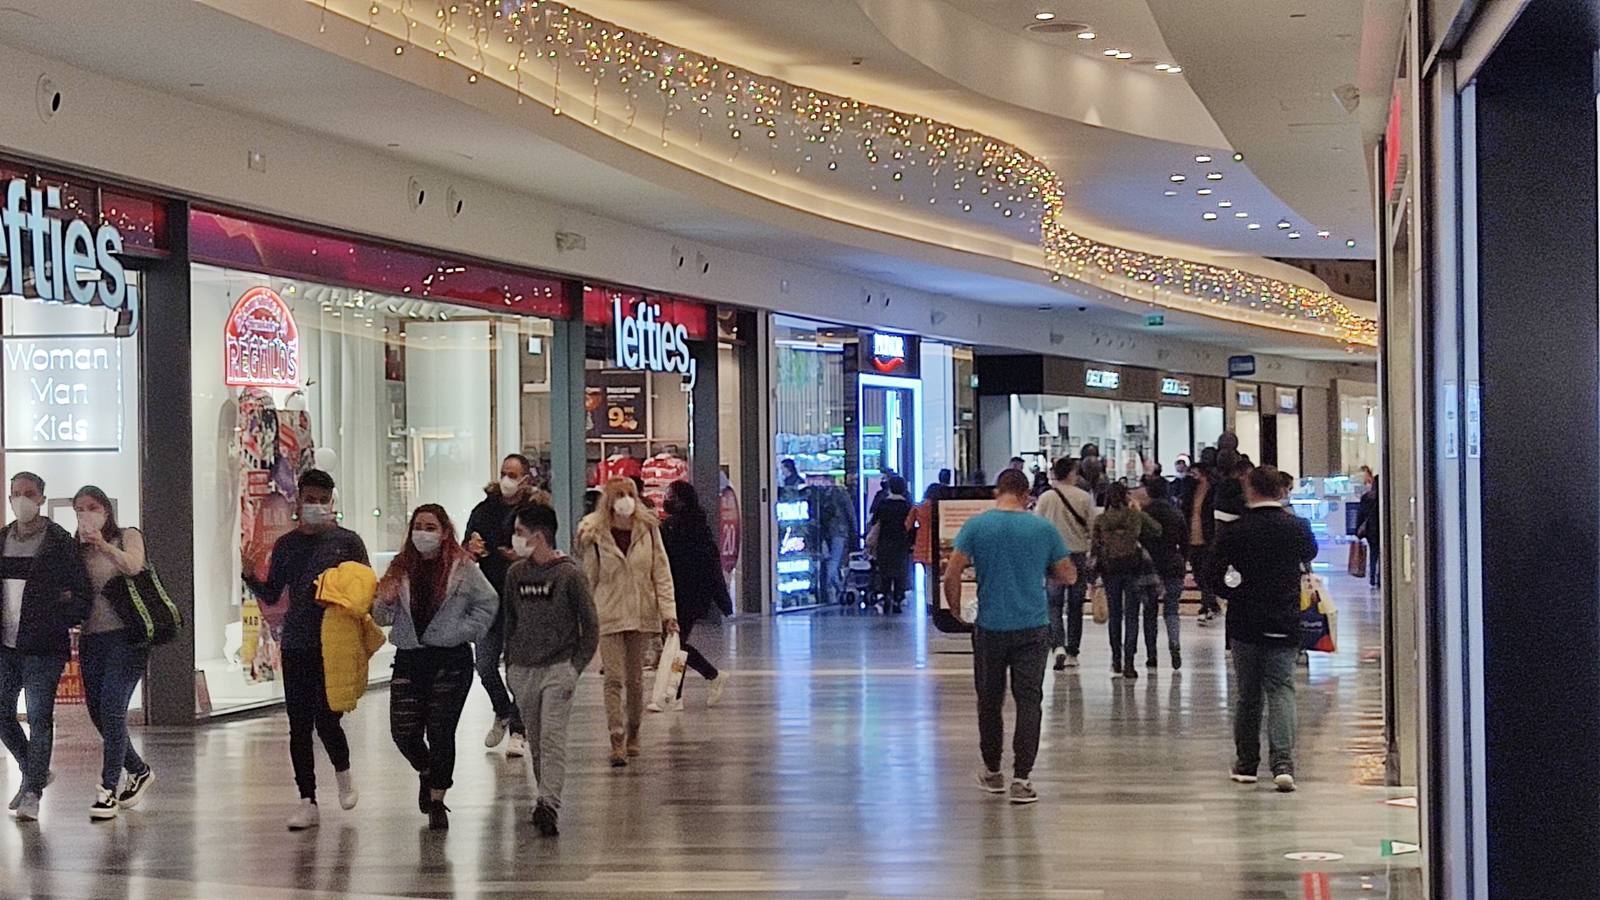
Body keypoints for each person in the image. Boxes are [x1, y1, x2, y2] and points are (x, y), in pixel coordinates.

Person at [943, 469, 1076, 805]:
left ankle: (992, 771)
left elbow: (952, 572)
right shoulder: (1042, 528)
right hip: (1033, 626)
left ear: (997, 492)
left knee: (989, 701)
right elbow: (1067, 575)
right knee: (1029, 701)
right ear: (1027, 494)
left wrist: (957, 611)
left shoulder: (977, 526)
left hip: (990, 627)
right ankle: (1022, 778)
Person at [247, 469, 369, 831]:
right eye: (310, 499)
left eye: (323, 501)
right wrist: (250, 574)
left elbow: (365, 591)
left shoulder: (348, 542)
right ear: (298, 501)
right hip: (297, 641)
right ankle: (307, 799)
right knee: (298, 724)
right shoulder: (286, 545)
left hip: (334, 644)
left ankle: (343, 773)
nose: (316, 506)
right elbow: (272, 593)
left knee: (327, 717)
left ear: (332, 503)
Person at [373, 504, 498, 831]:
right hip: (410, 659)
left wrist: (466, 631)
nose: (423, 534)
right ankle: (426, 770)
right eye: (418, 526)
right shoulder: (399, 568)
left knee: (441, 731)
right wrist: (382, 600)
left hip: (450, 660)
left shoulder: (462, 567)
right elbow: (381, 618)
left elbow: (488, 602)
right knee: (403, 732)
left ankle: (438, 798)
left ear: (444, 532)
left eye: (431, 527)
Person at [1206, 466, 1318, 793]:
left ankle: (1247, 763)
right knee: (1281, 688)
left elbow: (1211, 573)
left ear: (1251, 490)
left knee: (1248, 693)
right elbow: (1309, 553)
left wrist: (1232, 594)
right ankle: (1283, 762)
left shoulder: (1235, 530)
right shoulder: (1297, 527)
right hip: (1284, 616)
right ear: (1280, 491)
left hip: (1245, 619)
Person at [503, 503, 598, 837]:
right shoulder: (516, 574)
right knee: (538, 741)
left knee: (553, 737)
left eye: (519, 533)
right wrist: (510, 663)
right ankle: (544, 796)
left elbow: (590, 625)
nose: (515, 539)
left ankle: (548, 803)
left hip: (558, 668)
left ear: (538, 536)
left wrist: (575, 668)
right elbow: (510, 620)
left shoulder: (569, 574)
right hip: (523, 669)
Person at [0, 473, 90, 822]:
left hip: (44, 647)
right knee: (3, 712)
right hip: (7, 646)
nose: (21, 500)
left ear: (41, 498)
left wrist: (64, 617)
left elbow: (81, 591)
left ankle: (33, 792)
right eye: (15, 494)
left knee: (39, 716)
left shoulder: (58, 542)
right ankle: (32, 769)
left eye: (28, 494)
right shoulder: (3, 539)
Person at [576, 477, 678, 766]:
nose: (625, 499)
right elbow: (589, 578)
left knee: (635, 680)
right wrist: (584, 618)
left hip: (641, 612)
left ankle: (634, 730)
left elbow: (661, 572)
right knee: (613, 678)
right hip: (608, 614)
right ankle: (616, 738)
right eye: (619, 494)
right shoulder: (594, 533)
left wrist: (669, 614)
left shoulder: (648, 529)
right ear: (608, 499)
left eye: (630, 494)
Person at [72, 486, 157, 820]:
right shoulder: (74, 549)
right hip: (92, 639)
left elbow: (134, 566)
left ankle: (108, 788)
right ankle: (139, 770)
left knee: (112, 707)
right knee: (97, 712)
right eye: (79, 509)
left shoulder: (127, 536)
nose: (86, 514)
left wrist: (103, 545)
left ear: (106, 509)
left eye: (92, 507)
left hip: (128, 637)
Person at [464, 454, 544, 758]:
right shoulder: (484, 511)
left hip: (522, 599)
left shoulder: (534, 512)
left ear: (525, 478)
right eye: (503, 473)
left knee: (517, 670)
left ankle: (519, 730)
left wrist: (522, 557)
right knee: (484, 664)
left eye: (513, 474)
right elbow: (466, 547)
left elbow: (545, 549)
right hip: (488, 599)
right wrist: (472, 549)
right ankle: (502, 709)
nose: (507, 479)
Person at [654, 481, 732, 711]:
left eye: (671, 496)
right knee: (676, 642)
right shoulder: (695, 526)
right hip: (690, 594)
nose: (667, 499)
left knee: (677, 644)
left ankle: (686, 689)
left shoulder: (676, 528)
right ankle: (683, 690)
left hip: (684, 595)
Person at [1091, 482, 1161, 678]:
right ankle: (1130, 661)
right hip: (1133, 568)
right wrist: (1137, 510)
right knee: (1132, 615)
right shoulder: (1134, 516)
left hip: (1110, 570)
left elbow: (1095, 548)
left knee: (1115, 615)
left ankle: (1116, 659)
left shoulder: (1101, 519)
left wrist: (1093, 575)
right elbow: (1157, 530)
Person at [1033, 457, 1096, 670]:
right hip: (1077, 555)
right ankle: (1072, 649)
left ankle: (1057, 645)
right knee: (1076, 604)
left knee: (1053, 603)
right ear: (1070, 473)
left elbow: (1037, 525)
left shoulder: (1046, 498)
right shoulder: (1084, 497)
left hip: (1052, 556)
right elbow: (1093, 528)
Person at [1136, 476, 1188, 671]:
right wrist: (1182, 560)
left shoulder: (1145, 514)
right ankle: (1174, 643)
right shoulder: (1177, 513)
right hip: (1173, 564)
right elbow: (1184, 542)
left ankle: (1151, 655)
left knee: (1149, 611)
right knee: (1172, 610)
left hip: (1150, 566)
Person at [1183, 449, 1221, 624]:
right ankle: (1211, 603)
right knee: (1198, 573)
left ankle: (1206, 605)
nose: (1192, 476)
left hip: (1208, 537)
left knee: (1206, 572)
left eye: (1194, 472)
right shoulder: (1191, 491)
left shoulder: (1214, 490)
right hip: (1192, 536)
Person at [866, 475, 914, 614]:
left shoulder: (883, 504)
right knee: (900, 571)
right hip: (901, 542)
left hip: (884, 542)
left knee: (885, 571)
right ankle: (898, 597)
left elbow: (875, 521)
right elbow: (909, 526)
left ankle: (886, 594)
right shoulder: (906, 505)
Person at [817, 480, 856, 606]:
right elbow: (850, 513)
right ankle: (830, 587)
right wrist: (855, 530)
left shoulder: (821, 494)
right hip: (839, 530)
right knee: (835, 560)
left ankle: (836, 588)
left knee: (830, 560)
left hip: (824, 531)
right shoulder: (841, 493)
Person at [1357, 467, 1380, 589]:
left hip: (1371, 530)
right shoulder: (1384, 498)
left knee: (1373, 554)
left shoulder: (1366, 497)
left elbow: (1361, 514)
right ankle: (1381, 576)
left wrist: (1357, 530)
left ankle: (1372, 577)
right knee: (1382, 554)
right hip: (1382, 530)